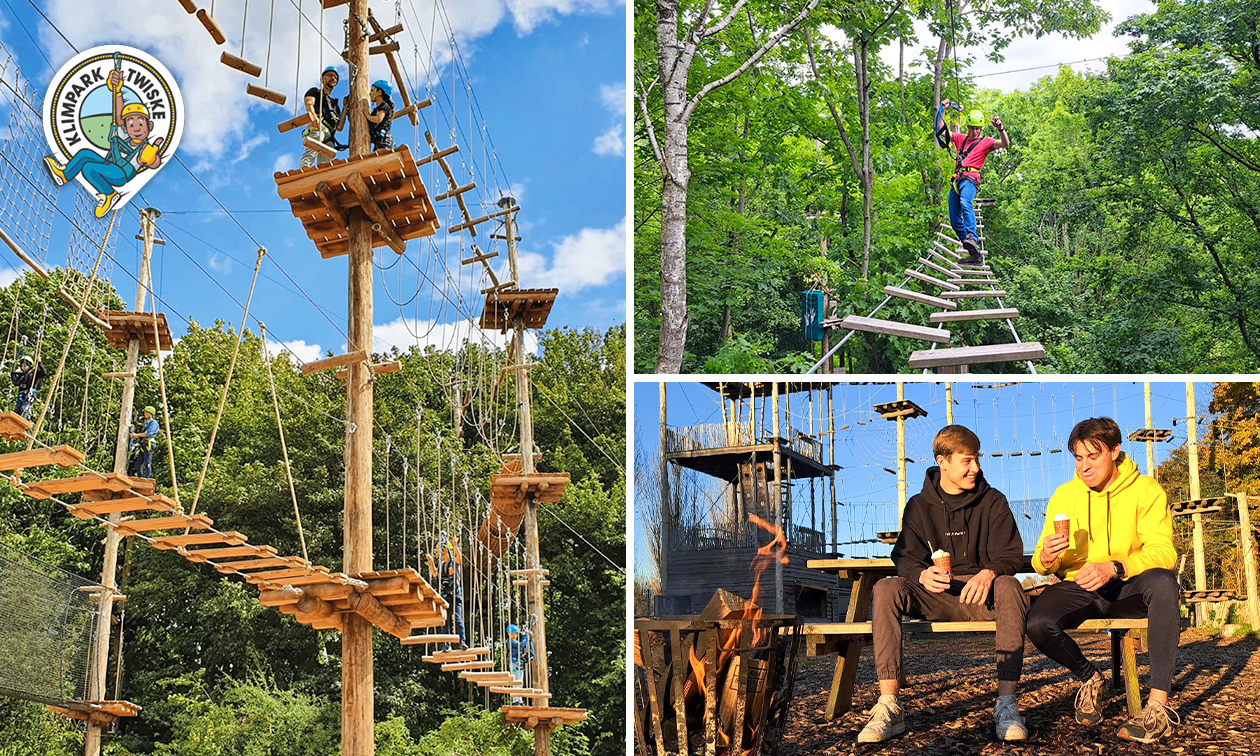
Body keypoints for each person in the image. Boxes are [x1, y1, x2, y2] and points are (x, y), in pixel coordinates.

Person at [858, 424, 1029, 743]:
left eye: (977, 459)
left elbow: (1011, 553)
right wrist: (920, 574)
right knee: (886, 588)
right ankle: (889, 705)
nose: (975, 467)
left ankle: (1007, 705)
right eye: (967, 461)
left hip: (982, 597)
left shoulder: (994, 501)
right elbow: (905, 557)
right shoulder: (918, 506)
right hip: (934, 596)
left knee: (1010, 586)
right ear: (943, 462)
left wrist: (989, 572)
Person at [1026, 417, 1180, 744]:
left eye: (1092, 457)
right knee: (1038, 622)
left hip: (1128, 583)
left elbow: (1164, 552)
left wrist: (1117, 567)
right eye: (1078, 458)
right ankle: (1092, 678)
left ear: (1114, 451)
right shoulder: (1065, 496)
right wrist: (1048, 557)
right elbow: (1040, 561)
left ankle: (1158, 707)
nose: (1084, 466)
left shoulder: (1146, 491)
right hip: (1080, 585)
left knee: (1165, 583)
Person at [44, 67, 164, 218]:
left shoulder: (145, 148)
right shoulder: (124, 135)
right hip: (110, 165)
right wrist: (117, 91)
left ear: (149, 125)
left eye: (141, 123)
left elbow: (154, 162)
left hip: (121, 174)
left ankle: (109, 194)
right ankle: (64, 175)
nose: (136, 127)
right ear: (126, 128)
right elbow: (118, 117)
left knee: (89, 168)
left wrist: (152, 158)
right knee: (84, 154)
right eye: (131, 124)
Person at [935, 99, 1009, 266]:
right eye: (972, 128)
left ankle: (972, 237)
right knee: (955, 220)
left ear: (981, 128)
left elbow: (1005, 143)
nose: (975, 131)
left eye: (977, 128)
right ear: (967, 127)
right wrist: (942, 109)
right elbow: (942, 131)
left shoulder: (986, 142)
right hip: (957, 179)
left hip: (970, 179)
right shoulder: (960, 139)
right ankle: (974, 254)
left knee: (965, 202)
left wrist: (1000, 128)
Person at [300, 66, 347, 168]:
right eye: (330, 75)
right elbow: (309, 103)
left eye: (335, 77)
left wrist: (345, 107)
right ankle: (304, 170)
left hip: (329, 135)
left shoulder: (335, 106)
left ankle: (322, 176)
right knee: (310, 153)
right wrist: (313, 118)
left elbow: (339, 127)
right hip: (318, 126)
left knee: (325, 163)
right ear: (322, 79)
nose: (333, 78)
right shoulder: (315, 92)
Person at [427, 531, 466, 649]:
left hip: (455, 595)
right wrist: (431, 561)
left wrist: (455, 545)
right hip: (445, 596)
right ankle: (446, 644)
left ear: (447, 552)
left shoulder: (453, 563)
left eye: (442, 553)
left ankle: (462, 641)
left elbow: (459, 558)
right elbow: (435, 573)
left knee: (457, 618)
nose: (441, 556)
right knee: (444, 620)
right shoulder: (441, 565)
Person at [10, 355, 46, 419]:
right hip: (21, 394)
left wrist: (39, 362)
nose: (23, 367)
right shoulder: (22, 375)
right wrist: (13, 374)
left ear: (29, 365)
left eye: (24, 365)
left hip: (29, 394)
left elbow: (43, 373)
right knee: (17, 409)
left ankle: (21, 421)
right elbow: (16, 383)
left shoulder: (34, 373)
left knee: (23, 409)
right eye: (22, 366)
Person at [127, 405, 159, 479]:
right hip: (143, 444)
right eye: (145, 412)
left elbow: (148, 433)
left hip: (149, 443)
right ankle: (141, 478)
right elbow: (143, 435)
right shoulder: (146, 423)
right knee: (137, 465)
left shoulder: (153, 423)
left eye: (147, 412)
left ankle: (147, 479)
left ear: (151, 414)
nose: (145, 414)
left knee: (147, 463)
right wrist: (136, 437)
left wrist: (136, 435)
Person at [506, 623, 534, 704]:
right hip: (515, 663)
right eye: (512, 634)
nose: (514, 636)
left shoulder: (514, 641)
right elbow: (521, 645)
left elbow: (524, 644)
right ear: (508, 634)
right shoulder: (510, 642)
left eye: (515, 634)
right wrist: (526, 637)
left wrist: (527, 636)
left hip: (519, 663)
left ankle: (519, 699)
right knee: (516, 681)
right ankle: (515, 700)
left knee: (520, 682)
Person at [364, 80, 395, 152]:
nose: (370, 94)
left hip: (384, 141)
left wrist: (368, 116)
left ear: (379, 92)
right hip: (379, 141)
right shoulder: (376, 111)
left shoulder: (384, 105)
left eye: (372, 90)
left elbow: (379, 119)